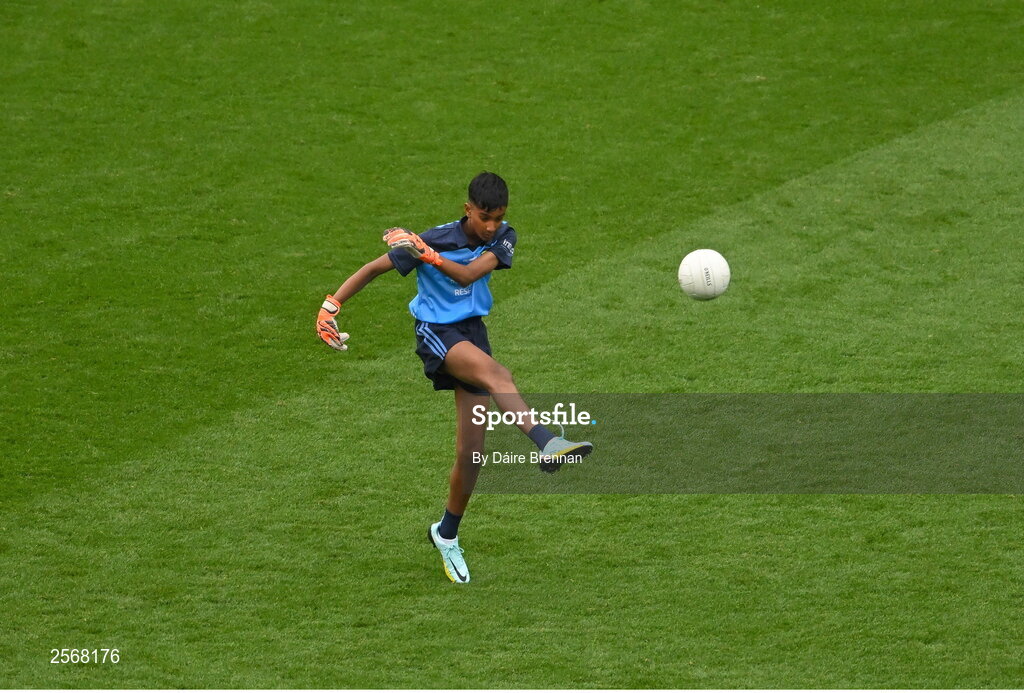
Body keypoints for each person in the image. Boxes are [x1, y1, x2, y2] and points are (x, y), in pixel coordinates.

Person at [315, 172, 592, 584]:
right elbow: (373, 269)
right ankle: (548, 442)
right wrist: (330, 307)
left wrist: (428, 255)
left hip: (473, 332)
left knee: (472, 453)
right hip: (437, 334)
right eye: (485, 217)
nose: (492, 226)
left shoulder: (502, 238)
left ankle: (445, 534)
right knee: (499, 374)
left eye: (499, 217)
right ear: (468, 210)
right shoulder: (435, 239)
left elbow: (469, 275)